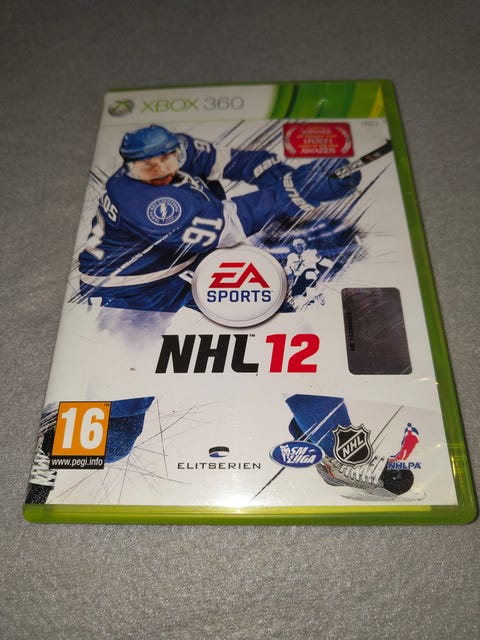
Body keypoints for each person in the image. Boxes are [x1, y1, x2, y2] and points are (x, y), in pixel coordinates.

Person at [78, 125, 360, 313]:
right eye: (147, 165)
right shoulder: (141, 201)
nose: (161, 169)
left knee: (274, 317)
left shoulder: (179, 149)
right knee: (137, 367)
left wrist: (296, 178)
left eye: (167, 158)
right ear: (129, 164)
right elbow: (225, 225)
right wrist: (298, 190)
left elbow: (236, 161)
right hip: (127, 288)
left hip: (177, 262)